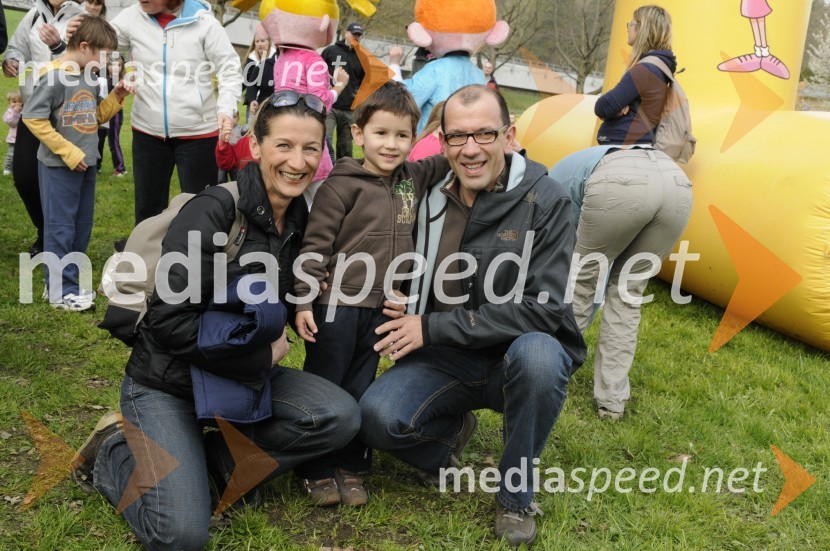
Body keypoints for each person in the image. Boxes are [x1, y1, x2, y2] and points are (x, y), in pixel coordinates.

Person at [70, 90, 362, 550]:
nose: (298, 160)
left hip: (236, 380)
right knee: (182, 535)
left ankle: (209, 467)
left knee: (337, 416)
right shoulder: (214, 211)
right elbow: (166, 325)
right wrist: (260, 354)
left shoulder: (304, 220)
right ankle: (113, 454)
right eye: (284, 145)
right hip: (168, 383)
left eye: (311, 147)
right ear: (256, 146)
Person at [358, 85, 586, 547]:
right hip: (447, 356)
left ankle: (515, 496)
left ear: (510, 135)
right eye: (458, 137)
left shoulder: (548, 200)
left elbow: (544, 309)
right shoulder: (425, 187)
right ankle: (448, 437)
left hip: (516, 355)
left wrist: (429, 325)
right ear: (442, 142)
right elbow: (370, 201)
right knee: (376, 417)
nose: (471, 149)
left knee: (540, 357)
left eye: (484, 134)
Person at [293, 81, 449, 507]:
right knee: (326, 384)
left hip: (380, 310)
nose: (391, 144)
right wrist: (305, 299)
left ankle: (351, 465)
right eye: (381, 133)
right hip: (335, 307)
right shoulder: (340, 186)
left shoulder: (410, 179)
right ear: (359, 134)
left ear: (413, 139)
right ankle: (314, 466)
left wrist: (479, 137)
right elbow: (315, 247)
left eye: (402, 135)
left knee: (361, 384)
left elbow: (445, 157)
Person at [570, 5, 692, 421]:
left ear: (642, 28)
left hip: (625, 173)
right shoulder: (669, 69)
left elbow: (604, 106)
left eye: (631, 23)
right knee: (627, 294)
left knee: (583, 277)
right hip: (672, 184)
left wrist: (616, 108)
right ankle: (611, 401)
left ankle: (546, 367)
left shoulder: (645, 67)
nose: (627, 27)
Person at [22, 16, 131, 311]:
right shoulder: (55, 75)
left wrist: (116, 96)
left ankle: (60, 284)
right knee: (60, 229)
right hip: (59, 167)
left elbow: (92, 117)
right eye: (103, 55)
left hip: (87, 165)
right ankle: (61, 292)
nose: (106, 62)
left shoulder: (89, 76)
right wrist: (68, 152)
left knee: (80, 227)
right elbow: (32, 117)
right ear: (84, 46)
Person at [110, 0, 242, 234]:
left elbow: (229, 68)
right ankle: (145, 261)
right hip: (147, 132)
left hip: (199, 135)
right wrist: (123, 68)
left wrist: (226, 108)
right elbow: (103, 45)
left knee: (201, 208)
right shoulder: (132, 16)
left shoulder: (205, 24)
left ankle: (198, 263)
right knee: (147, 209)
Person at [2, 0, 86, 256]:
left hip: (66, 113)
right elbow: (17, 48)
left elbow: (90, 65)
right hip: (33, 109)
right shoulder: (32, 15)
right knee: (25, 178)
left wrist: (58, 46)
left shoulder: (82, 18)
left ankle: (62, 240)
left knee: (62, 182)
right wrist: (12, 60)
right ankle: (45, 231)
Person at [321, 22, 366, 159]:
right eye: (353, 34)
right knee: (324, 139)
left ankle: (342, 174)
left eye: (358, 35)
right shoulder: (330, 51)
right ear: (346, 33)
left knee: (346, 146)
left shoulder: (363, 56)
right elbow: (318, 72)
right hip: (330, 105)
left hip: (350, 108)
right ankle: (322, 170)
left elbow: (365, 81)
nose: (355, 37)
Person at [242, 25, 274, 126]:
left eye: (263, 41)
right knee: (250, 129)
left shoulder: (275, 60)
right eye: (257, 41)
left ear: (269, 42)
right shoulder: (251, 59)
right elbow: (246, 81)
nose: (260, 44)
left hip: (269, 103)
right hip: (252, 102)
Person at [216, 109, 243, 183]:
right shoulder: (219, 129)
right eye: (229, 117)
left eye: (234, 117)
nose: (231, 120)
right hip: (223, 159)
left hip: (234, 159)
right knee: (221, 180)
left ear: (238, 118)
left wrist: (252, 114)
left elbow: (249, 127)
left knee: (236, 180)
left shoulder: (239, 129)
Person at [3, 90, 22, 176]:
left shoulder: (25, 110)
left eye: (20, 101)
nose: (17, 104)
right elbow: (11, 122)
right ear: (9, 103)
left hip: (23, 139)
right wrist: (15, 112)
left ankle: (18, 168)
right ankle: (7, 168)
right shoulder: (10, 112)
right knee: (11, 155)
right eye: (14, 102)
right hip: (13, 139)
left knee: (22, 155)